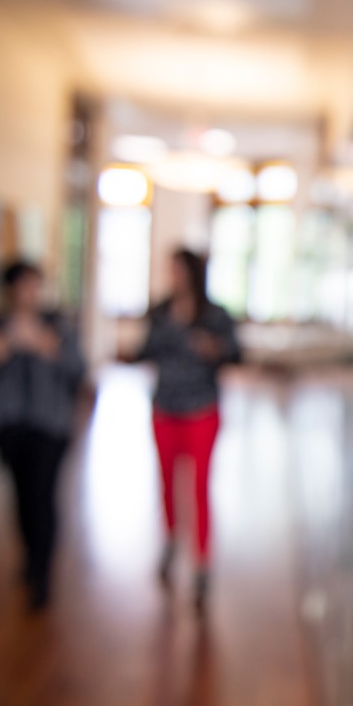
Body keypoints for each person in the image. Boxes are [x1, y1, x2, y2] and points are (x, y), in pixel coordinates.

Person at [129, 249, 240, 612]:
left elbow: (237, 353)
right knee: (166, 482)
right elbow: (144, 350)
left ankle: (202, 561)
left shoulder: (216, 315)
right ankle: (170, 540)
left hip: (201, 409)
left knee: (198, 487)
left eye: (178, 270)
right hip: (165, 408)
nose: (173, 276)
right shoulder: (161, 312)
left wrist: (215, 348)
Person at [0, 260, 84, 611]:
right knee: (21, 499)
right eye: (23, 286)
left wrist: (47, 348)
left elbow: (78, 370)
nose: (30, 293)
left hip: (50, 426)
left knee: (43, 497)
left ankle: (43, 572)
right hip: (11, 426)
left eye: (35, 285)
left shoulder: (58, 325)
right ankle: (29, 556)